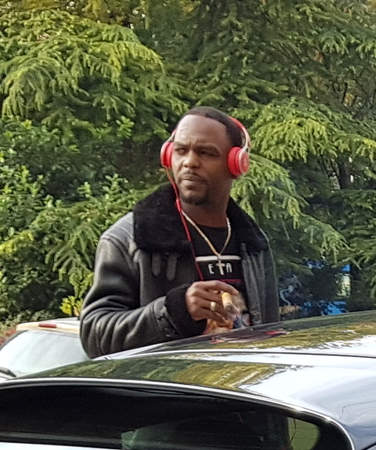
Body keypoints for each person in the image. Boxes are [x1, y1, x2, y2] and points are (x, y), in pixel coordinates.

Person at [80, 107, 278, 358]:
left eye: (206, 153)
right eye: (181, 150)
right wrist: (175, 311)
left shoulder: (254, 244)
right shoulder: (128, 239)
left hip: (236, 393)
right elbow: (94, 337)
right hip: (171, 395)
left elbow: (270, 332)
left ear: (236, 164)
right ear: (168, 156)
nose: (190, 162)